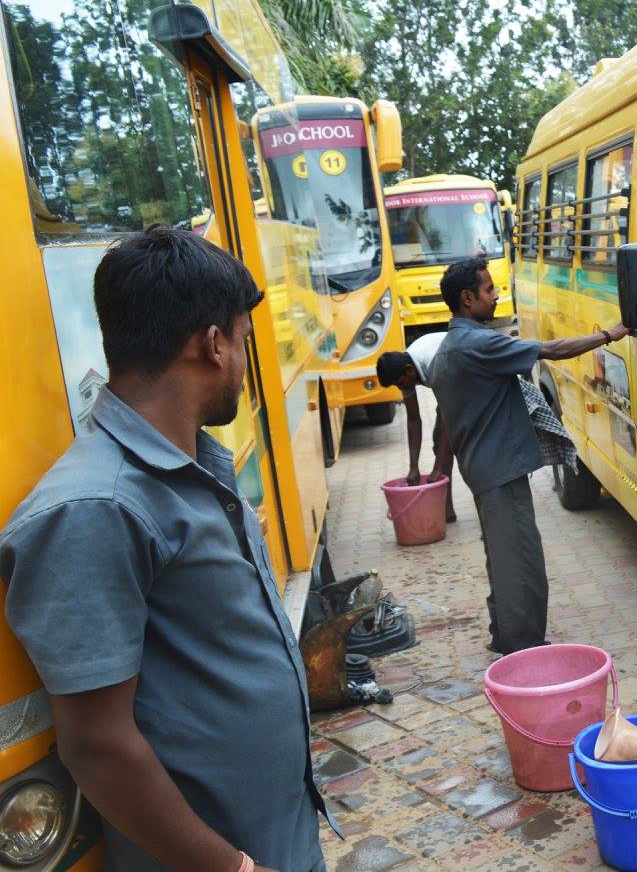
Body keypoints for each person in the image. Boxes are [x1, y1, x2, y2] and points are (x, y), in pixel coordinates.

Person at [0, 227, 330, 870]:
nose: (240, 361)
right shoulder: (96, 509)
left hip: (277, 836)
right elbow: (97, 745)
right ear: (211, 345)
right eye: (241, 341)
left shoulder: (187, 468)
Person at [428, 257, 627, 654]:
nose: (497, 295)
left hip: (483, 471)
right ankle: (524, 651)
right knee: (521, 563)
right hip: (499, 474)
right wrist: (610, 335)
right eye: (489, 290)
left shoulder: (451, 346)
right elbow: (551, 350)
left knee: (501, 557)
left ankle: (504, 633)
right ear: (467, 299)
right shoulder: (479, 342)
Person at [376, 332, 456, 522]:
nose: (401, 387)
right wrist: (413, 467)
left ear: (409, 370)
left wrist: (437, 466)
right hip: (453, 384)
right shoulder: (404, 372)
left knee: (463, 448)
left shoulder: (434, 364)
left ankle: (457, 511)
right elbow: (413, 419)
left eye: (400, 383)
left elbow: (448, 415)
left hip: (473, 378)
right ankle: (446, 511)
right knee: (440, 444)